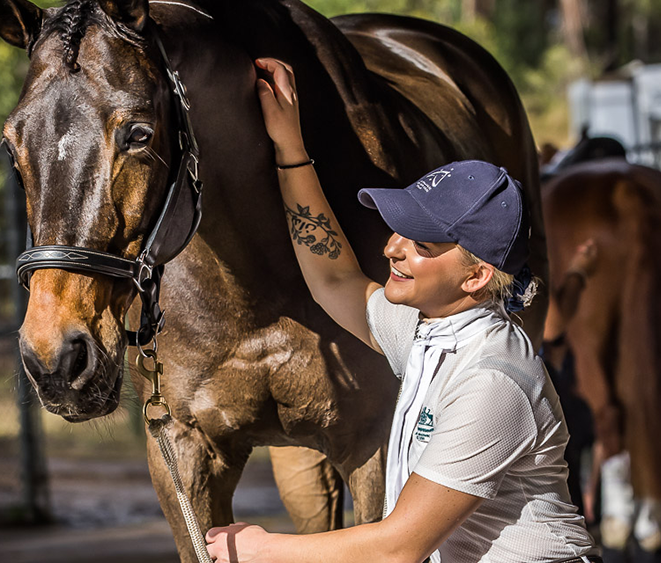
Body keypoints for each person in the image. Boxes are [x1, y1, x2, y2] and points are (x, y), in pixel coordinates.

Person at [203, 57, 600, 563]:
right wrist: (291, 149)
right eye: (399, 228)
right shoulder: (429, 329)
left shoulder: (493, 380)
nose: (392, 248)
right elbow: (335, 279)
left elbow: (399, 546)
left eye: (422, 244)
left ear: (476, 277)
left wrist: (264, 549)